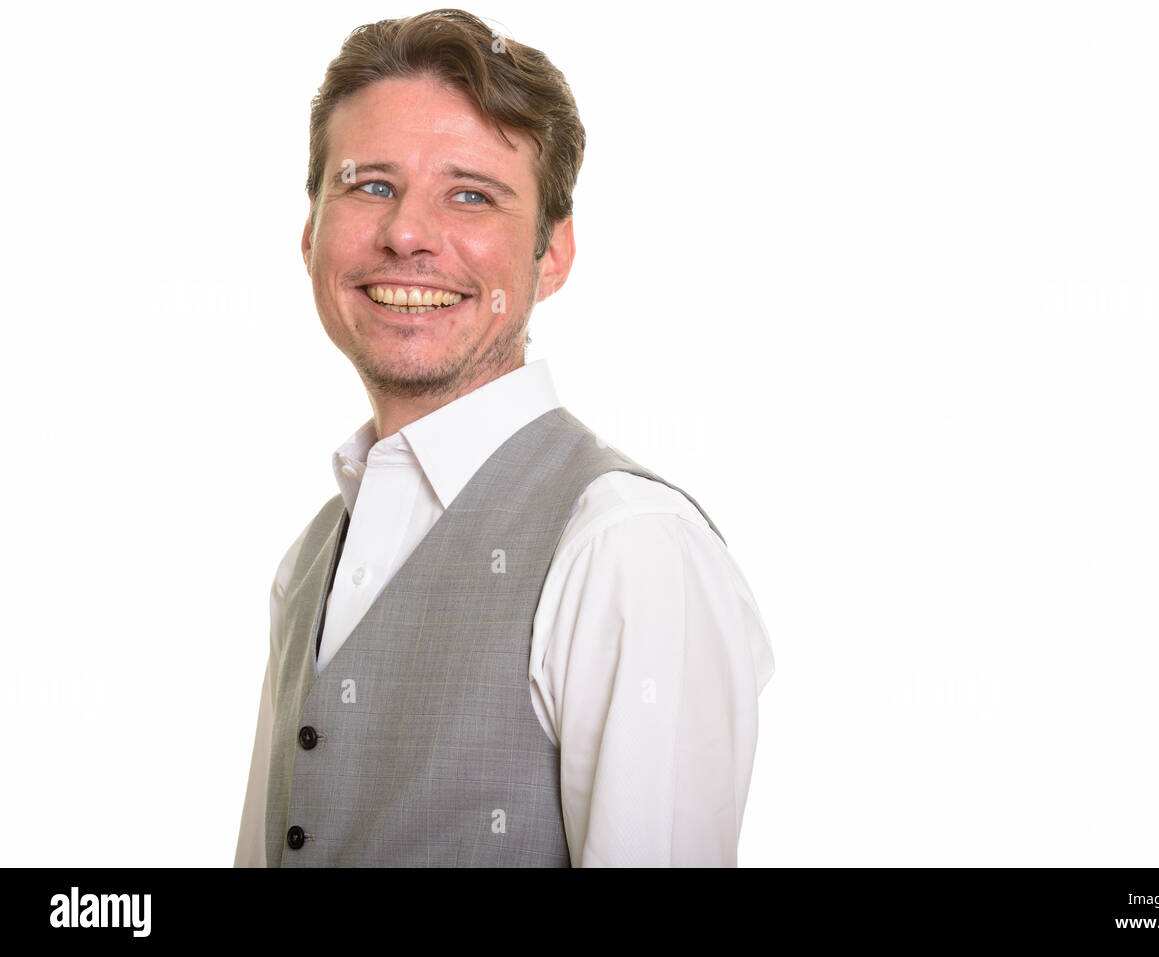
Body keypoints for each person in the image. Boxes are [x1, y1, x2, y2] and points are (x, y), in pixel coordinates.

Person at [234, 8, 775, 867]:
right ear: (310, 234)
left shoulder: (623, 546)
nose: (406, 233)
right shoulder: (308, 558)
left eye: (471, 194)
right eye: (370, 184)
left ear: (551, 255)